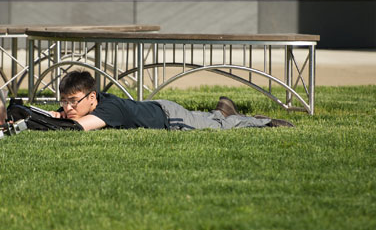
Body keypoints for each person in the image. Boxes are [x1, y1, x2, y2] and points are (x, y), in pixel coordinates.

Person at [48, 71, 293, 131]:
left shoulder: (107, 109)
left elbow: (78, 128)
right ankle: (222, 109)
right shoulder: (90, 104)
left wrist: (44, 120)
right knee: (208, 119)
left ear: (92, 97)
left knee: (218, 127)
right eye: (64, 102)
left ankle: (262, 122)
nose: (68, 107)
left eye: (73, 102)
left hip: (170, 119)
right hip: (162, 108)